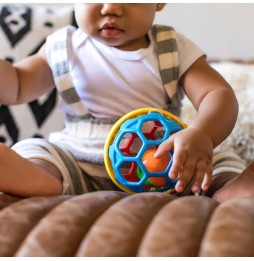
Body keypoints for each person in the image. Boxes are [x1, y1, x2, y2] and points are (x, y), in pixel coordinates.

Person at [0, 3, 250, 201]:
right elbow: (19, 84)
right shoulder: (62, 47)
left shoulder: (172, 48)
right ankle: (38, 178)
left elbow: (217, 93)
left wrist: (203, 133)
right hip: (76, 161)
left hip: (168, 167)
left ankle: (229, 186)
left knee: (215, 160)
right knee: (37, 150)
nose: (111, 7)